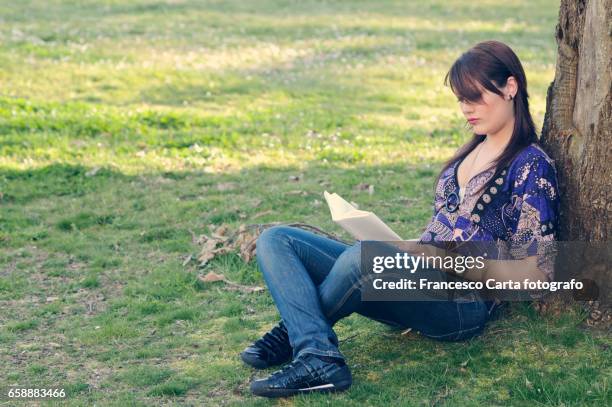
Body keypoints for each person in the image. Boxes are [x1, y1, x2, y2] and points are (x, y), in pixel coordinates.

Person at [241, 40, 560, 398]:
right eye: (460, 99)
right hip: (415, 281)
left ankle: (306, 344)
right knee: (278, 239)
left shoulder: (531, 166)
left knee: (361, 257)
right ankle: (312, 344)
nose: (465, 109)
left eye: (475, 97)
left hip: (461, 306)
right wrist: (408, 249)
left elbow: (538, 274)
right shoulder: (469, 153)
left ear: (510, 87)